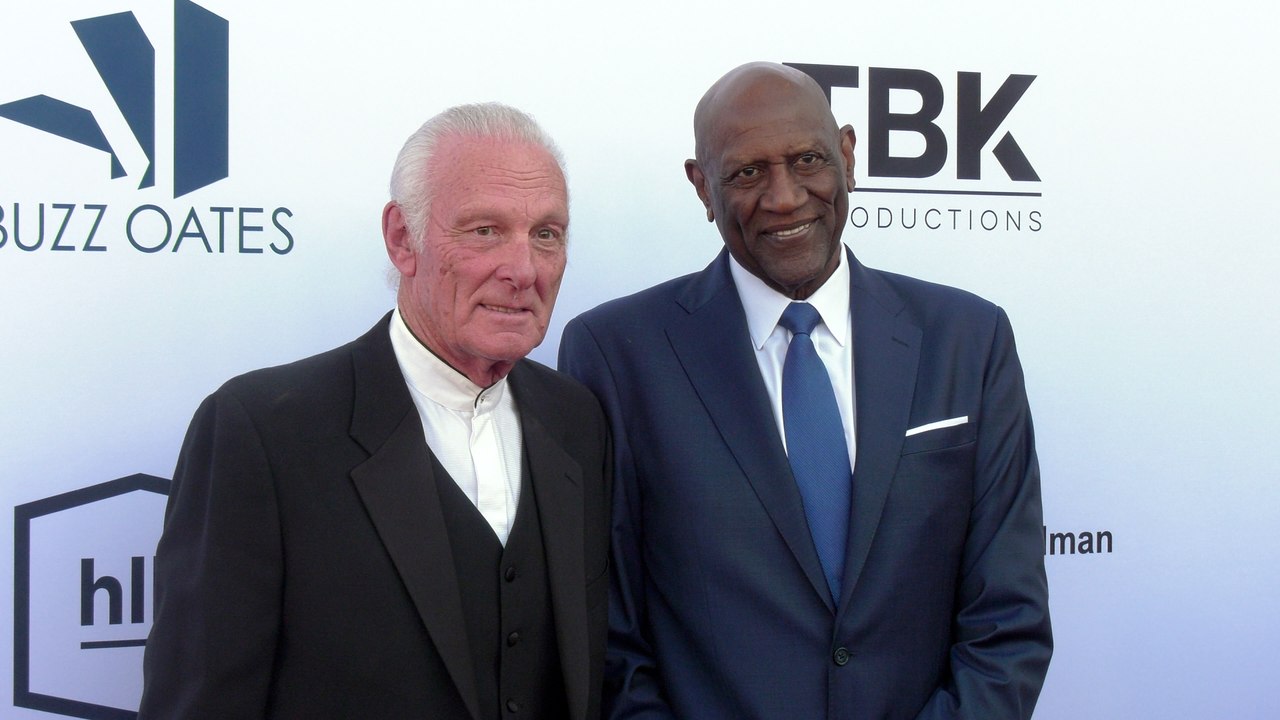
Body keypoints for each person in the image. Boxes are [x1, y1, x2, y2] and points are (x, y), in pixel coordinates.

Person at [558, 62, 1051, 719]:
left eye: (808, 159)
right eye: (747, 172)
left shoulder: (968, 338)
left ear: (847, 155)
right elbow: (608, 640)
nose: (785, 197)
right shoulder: (617, 354)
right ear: (702, 187)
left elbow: (1007, 619)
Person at [141, 103, 611, 720]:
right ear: (401, 238)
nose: (523, 270)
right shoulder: (262, 433)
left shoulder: (576, 420)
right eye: (484, 231)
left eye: (546, 234)